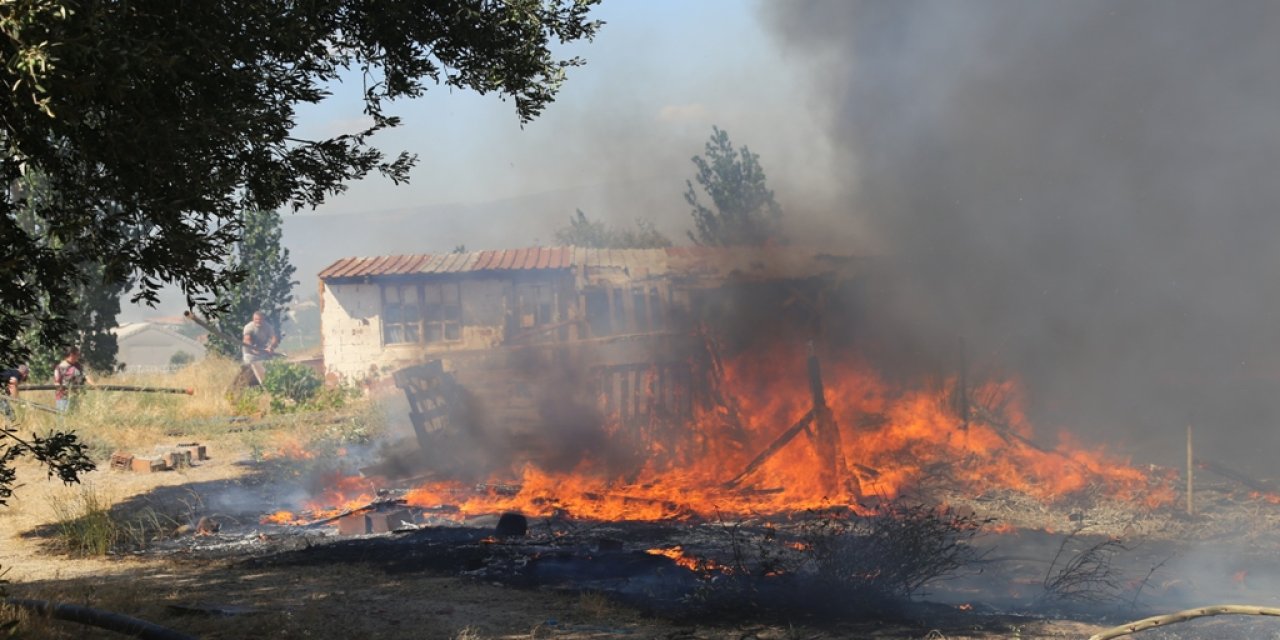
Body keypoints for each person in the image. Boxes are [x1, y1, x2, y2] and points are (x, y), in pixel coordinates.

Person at [53, 347, 92, 413]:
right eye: (77, 355)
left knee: (74, 417)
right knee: (63, 416)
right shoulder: (60, 367)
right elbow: (57, 382)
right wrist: (63, 390)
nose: (78, 357)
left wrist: (95, 385)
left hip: (76, 396)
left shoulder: (78, 366)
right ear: (71, 355)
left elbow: (85, 376)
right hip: (64, 397)